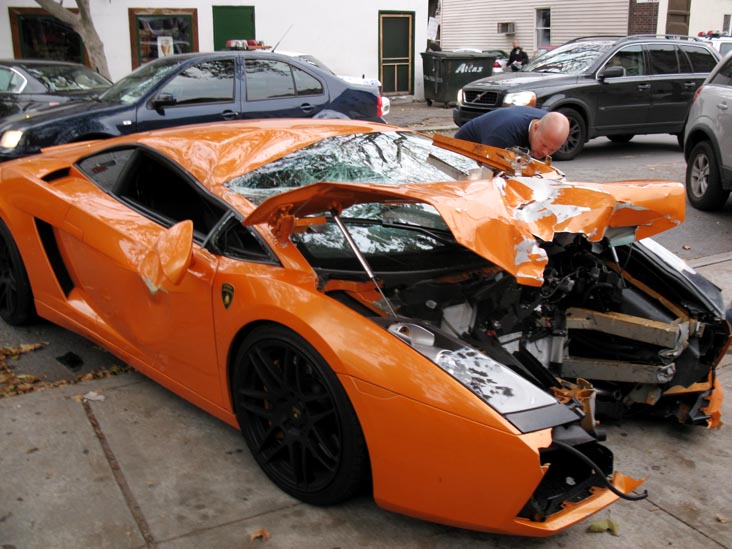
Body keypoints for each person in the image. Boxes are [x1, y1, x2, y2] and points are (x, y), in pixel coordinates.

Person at [454, 106, 570, 159]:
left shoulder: (548, 126)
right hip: (460, 152)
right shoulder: (503, 136)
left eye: (552, 150)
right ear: (536, 127)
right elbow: (490, 176)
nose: (545, 152)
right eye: (543, 145)